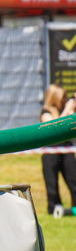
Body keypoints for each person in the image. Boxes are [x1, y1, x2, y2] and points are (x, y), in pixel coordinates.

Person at [39, 85, 76, 217]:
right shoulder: (45, 113)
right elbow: (54, 129)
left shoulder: (67, 111)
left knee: (73, 179)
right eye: (62, 98)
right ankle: (54, 209)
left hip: (66, 150)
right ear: (54, 98)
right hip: (51, 152)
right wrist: (66, 110)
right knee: (52, 185)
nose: (65, 100)